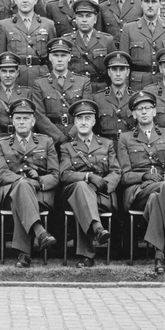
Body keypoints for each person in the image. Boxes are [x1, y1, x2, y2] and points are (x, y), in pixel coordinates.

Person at [117, 90, 165, 274]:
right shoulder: (125, 138)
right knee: (162, 190)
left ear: (154, 111)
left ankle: (159, 256)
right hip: (137, 191)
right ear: (134, 114)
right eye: (139, 109)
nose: (144, 112)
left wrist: (163, 182)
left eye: (148, 108)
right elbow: (124, 175)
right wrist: (143, 177)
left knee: (156, 199)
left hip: (162, 189)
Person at [0, 98, 59, 268]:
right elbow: (1, 174)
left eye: (25, 118)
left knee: (21, 195)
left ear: (33, 121)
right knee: (21, 188)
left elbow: (55, 175)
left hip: (40, 194)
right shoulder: (1, 144)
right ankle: (40, 232)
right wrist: (24, 181)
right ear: (12, 121)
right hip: (10, 193)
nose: (22, 122)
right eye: (18, 118)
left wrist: (38, 181)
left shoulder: (46, 142)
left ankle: (24, 254)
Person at [58, 99, 117, 267]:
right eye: (79, 118)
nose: (83, 122)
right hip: (73, 193)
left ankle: (87, 255)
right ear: (75, 122)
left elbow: (116, 172)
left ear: (94, 121)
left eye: (87, 118)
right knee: (81, 188)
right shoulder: (66, 147)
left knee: (82, 197)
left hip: (101, 195)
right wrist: (88, 176)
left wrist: (102, 185)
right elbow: (65, 174)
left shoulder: (106, 144)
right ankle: (97, 229)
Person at [120, 0, 165, 92]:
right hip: (138, 85)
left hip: (164, 83)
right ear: (141, 4)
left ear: (160, 4)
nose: (150, 5)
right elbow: (123, 63)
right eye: (146, 1)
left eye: (154, 1)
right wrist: (125, 90)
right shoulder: (129, 28)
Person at [0, 0, 56, 88]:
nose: (25, 1)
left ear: (35, 0)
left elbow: (52, 57)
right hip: (15, 79)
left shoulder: (48, 24)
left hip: (42, 78)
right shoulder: (4, 25)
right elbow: (0, 58)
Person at [31, 37, 89, 145]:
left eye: (63, 55)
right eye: (55, 55)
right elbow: (39, 116)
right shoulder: (40, 84)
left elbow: (86, 112)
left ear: (69, 57)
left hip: (77, 139)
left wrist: (71, 135)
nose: (59, 59)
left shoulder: (83, 82)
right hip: (51, 141)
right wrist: (59, 138)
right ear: (50, 57)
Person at [62, 0, 115, 93]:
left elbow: (113, 69)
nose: (84, 20)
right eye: (80, 16)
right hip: (75, 90)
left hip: (100, 90)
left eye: (88, 16)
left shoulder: (107, 40)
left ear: (95, 19)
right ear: (75, 19)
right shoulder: (66, 41)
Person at [94, 51, 135, 143]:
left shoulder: (135, 97)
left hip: (130, 146)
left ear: (128, 72)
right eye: (114, 69)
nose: (118, 74)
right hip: (107, 147)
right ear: (109, 72)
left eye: (122, 69)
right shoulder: (98, 98)